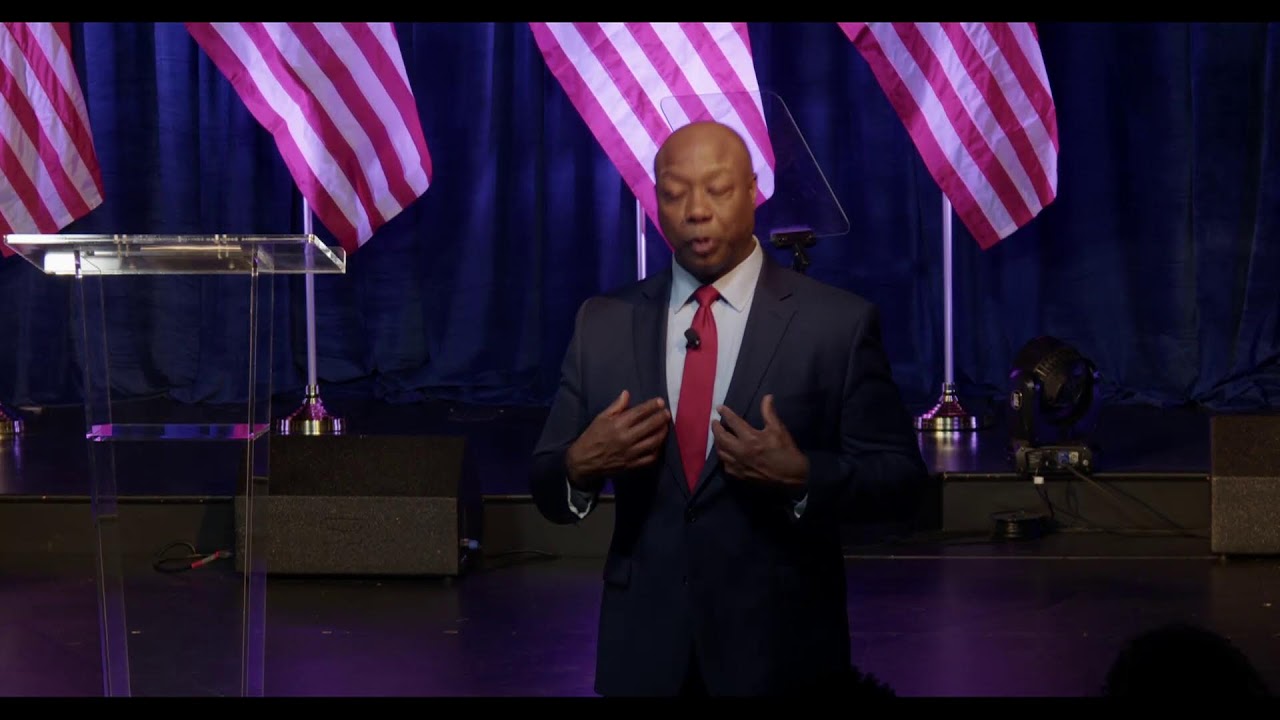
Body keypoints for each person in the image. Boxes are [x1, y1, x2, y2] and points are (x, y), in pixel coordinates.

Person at [529, 120, 929, 697]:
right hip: (643, 661)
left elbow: (901, 486)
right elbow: (548, 486)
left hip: (783, 658)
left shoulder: (836, 325)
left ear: (753, 191)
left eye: (716, 188)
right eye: (674, 192)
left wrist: (802, 478)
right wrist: (579, 467)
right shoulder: (603, 323)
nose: (695, 210)